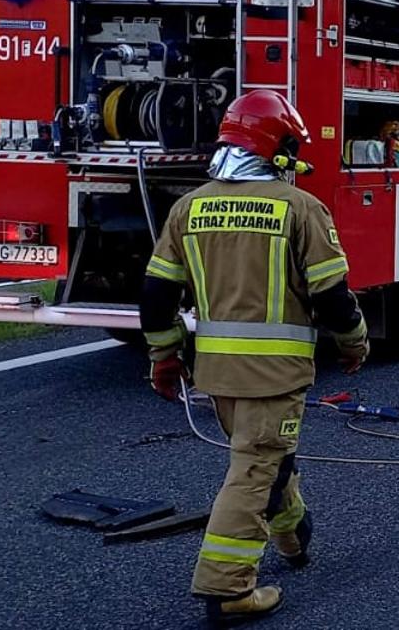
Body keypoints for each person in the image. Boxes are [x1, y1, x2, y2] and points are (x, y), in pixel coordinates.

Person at [140, 89, 370, 624]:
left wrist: (163, 355)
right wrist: (355, 341)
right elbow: (333, 297)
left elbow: (156, 294)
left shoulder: (188, 207)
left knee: (265, 459)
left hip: (216, 374)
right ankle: (227, 589)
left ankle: (293, 538)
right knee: (253, 469)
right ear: (279, 148)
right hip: (275, 376)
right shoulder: (300, 208)